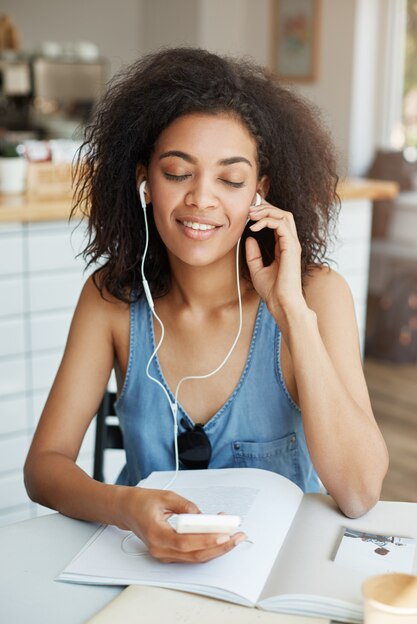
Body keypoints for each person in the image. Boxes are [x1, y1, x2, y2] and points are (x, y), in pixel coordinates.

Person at [24, 47, 388, 564]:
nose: (201, 198)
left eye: (231, 180)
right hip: (145, 563)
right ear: (144, 182)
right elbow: (44, 466)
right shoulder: (110, 299)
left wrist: (292, 315)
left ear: (259, 193)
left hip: (273, 572)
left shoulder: (317, 296)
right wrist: (125, 507)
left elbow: (359, 492)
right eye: (177, 172)